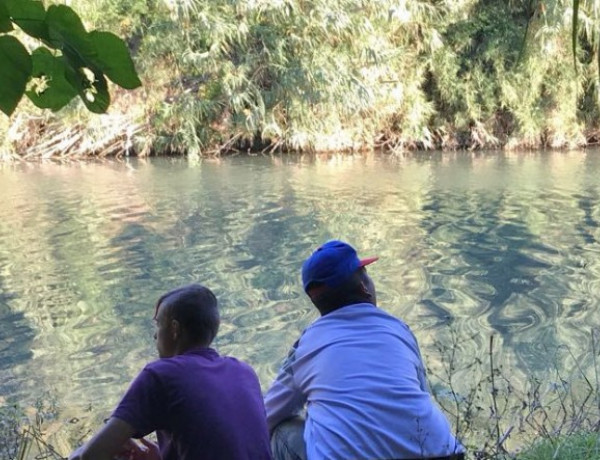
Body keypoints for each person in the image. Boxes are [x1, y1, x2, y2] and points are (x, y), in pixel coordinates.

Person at [264, 240, 464, 460]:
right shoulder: (398, 329)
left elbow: (267, 417)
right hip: (442, 454)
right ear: (363, 288)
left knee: (283, 431)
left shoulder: (306, 345)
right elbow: (420, 395)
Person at [69, 283, 272, 460]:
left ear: (175, 329)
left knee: (79, 454)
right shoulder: (244, 371)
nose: (155, 335)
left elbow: (91, 455)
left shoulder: (161, 375)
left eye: (158, 324)